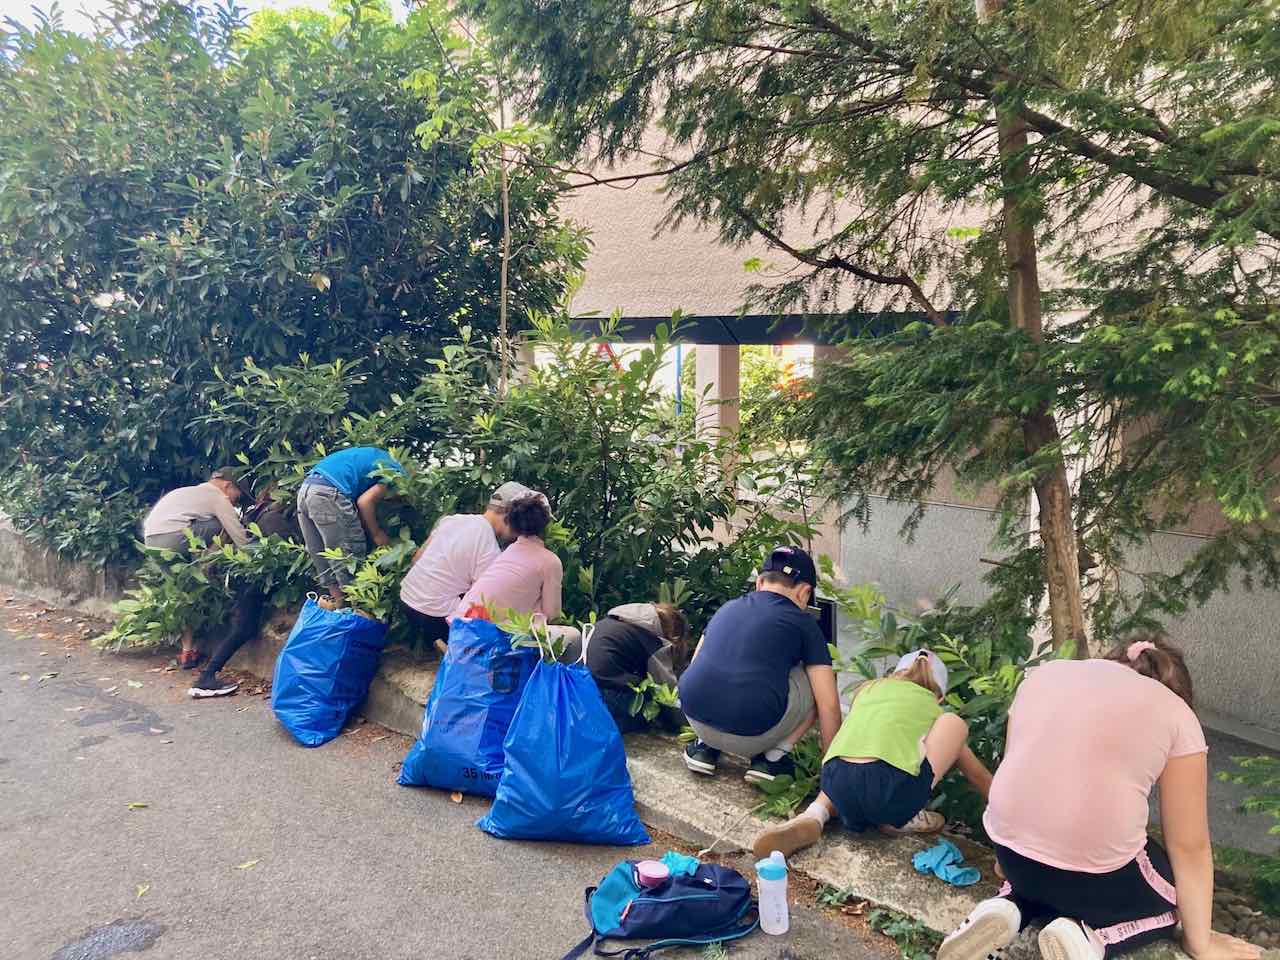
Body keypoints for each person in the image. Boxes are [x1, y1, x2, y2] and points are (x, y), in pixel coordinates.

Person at [938, 637, 1261, 960]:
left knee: (1045, 873)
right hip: (1096, 880)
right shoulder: (1177, 714)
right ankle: (1090, 939)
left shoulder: (1043, 675)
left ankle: (1008, 906)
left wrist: (1005, 861)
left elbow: (1014, 781)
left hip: (1014, 857)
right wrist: (1200, 943)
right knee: (1171, 903)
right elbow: (1189, 846)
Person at [752, 649, 993, 859]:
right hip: (889, 795)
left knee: (856, 757)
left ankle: (814, 815)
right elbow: (978, 775)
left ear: (893, 675)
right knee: (953, 724)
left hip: (834, 781)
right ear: (939, 696)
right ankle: (903, 817)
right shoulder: (932, 706)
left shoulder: (868, 689)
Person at [677, 545, 842, 783]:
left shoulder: (728, 607)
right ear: (804, 592)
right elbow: (829, 705)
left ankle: (704, 747)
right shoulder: (804, 623)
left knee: (723, 662)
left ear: (759, 583)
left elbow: (696, 662)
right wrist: (832, 775)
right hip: (754, 735)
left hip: (695, 717)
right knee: (821, 682)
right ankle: (772, 759)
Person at [188, 487, 301, 699]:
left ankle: (207, 676)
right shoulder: (273, 519)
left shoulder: (256, 515)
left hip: (240, 577)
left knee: (243, 628)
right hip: (250, 581)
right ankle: (206, 678)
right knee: (243, 628)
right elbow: (286, 552)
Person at [396, 481, 532, 650]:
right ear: (509, 515)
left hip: (406, 598)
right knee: (488, 616)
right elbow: (483, 598)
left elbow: (417, 558)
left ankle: (435, 640)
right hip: (433, 614)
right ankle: (449, 645)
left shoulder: (453, 520)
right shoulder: (488, 546)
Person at [142, 466, 251, 668]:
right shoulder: (217, 497)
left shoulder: (189, 492)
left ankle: (187, 652)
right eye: (238, 495)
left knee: (185, 594)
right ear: (228, 486)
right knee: (222, 524)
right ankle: (206, 566)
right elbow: (240, 538)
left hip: (152, 543)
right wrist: (253, 556)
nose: (237, 501)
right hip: (173, 538)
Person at [296, 446, 403, 608]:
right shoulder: (397, 474)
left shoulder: (376, 457)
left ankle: (340, 610)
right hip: (328, 493)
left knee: (323, 556)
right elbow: (365, 502)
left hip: (306, 490)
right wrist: (377, 534)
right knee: (349, 556)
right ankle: (358, 611)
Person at [560, 602, 689, 735]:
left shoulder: (606, 625)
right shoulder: (651, 641)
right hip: (605, 696)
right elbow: (665, 691)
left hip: (571, 690)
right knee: (649, 705)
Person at [452, 491, 561, 626]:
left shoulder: (505, 554)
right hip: (485, 633)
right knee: (572, 634)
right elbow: (552, 616)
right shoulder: (550, 561)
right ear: (546, 524)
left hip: (459, 626)